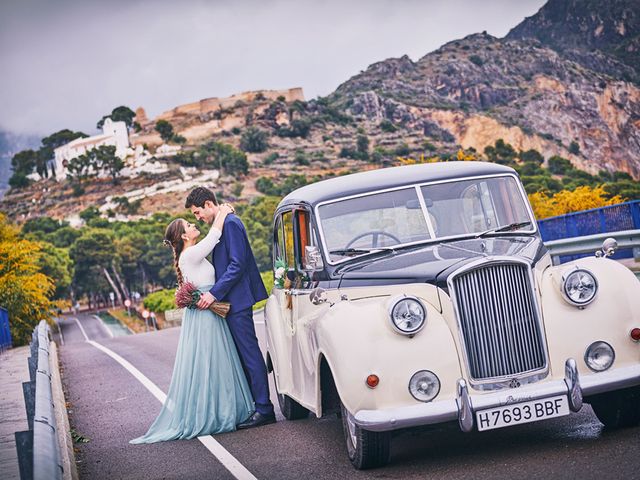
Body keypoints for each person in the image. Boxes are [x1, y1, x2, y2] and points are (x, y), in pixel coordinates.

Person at [130, 204, 254, 444]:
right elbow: (214, 236)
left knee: (218, 363)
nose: (194, 223)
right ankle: (214, 413)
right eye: (189, 224)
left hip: (210, 312)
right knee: (210, 363)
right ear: (184, 236)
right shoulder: (190, 254)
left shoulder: (192, 253)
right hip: (206, 315)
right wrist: (223, 212)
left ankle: (223, 409)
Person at [185, 187, 275, 429]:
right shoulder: (222, 225)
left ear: (207, 204)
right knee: (242, 355)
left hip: (237, 300)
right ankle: (255, 405)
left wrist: (213, 294)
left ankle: (265, 409)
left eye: (197, 212)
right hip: (229, 301)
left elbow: (237, 264)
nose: (198, 218)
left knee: (250, 354)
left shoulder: (232, 224)